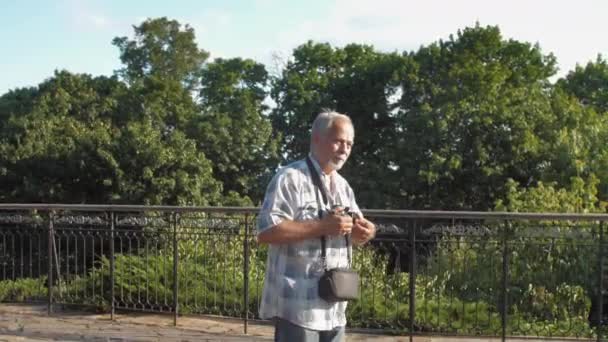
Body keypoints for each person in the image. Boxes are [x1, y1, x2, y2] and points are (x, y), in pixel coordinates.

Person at [256, 110, 376, 342]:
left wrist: (366, 232)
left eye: (349, 144)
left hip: (335, 303)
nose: (345, 149)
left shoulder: (343, 186)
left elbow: (353, 236)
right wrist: (322, 226)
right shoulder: (289, 178)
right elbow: (266, 232)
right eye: (338, 141)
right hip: (297, 304)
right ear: (317, 139)